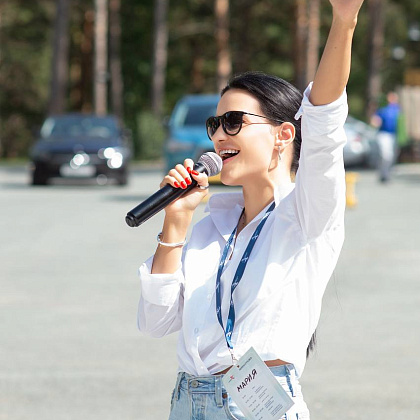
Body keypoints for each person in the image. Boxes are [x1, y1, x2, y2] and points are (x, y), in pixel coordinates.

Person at [137, 1, 364, 418]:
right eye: (215, 125)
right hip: (188, 400)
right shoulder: (210, 228)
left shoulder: (307, 215)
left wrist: (344, 21)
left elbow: (324, 124)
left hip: (256, 406)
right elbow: (156, 322)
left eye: (234, 122)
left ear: (283, 135)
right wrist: (176, 221)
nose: (219, 136)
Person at [371, 92, 400, 183]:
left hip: (395, 135)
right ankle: (383, 173)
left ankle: (387, 174)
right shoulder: (383, 110)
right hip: (384, 135)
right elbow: (375, 121)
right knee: (386, 155)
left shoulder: (399, 110)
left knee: (392, 157)